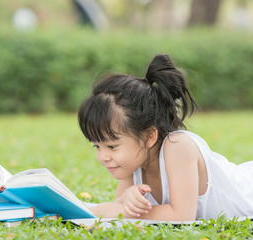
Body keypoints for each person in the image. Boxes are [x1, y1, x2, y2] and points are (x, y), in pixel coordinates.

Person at [78, 54, 253, 221]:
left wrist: (122, 210)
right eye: (97, 146)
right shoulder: (131, 163)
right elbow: (118, 209)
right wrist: (127, 199)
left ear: (149, 136)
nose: (102, 157)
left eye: (112, 146)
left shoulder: (178, 146)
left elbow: (182, 215)